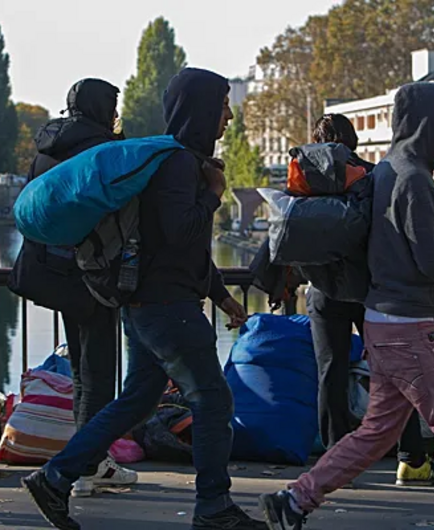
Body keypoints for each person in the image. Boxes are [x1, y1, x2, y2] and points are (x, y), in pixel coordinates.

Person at [23, 68, 264, 530]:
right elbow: (179, 236)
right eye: (223, 106)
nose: (229, 117)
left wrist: (222, 296)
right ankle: (213, 506)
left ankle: (55, 478)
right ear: (201, 110)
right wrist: (213, 197)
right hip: (167, 309)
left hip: (148, 306)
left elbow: (181, 249)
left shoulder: (175, 160)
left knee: (136, 401)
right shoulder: (178, 166)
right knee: (214, 402)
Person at [259, 84, 434, 530]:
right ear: (428, 125)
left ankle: (295, 500)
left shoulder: (387, 173)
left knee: (377, 432)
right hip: (410, 326)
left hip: (381, 322)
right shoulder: (414, 178)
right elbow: (431, 259)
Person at [308, 113, 433, 486]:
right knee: (394, 373)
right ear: (355, 140)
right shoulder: (374, 175)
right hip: (371, 289)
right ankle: (411, 456)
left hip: (324, 290)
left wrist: (273, 276)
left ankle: (335, 460)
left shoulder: (309, 177)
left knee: (330, 373)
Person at [27, 78, 137, 497]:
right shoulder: (98, 149)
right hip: (95, 272)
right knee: (99, 373)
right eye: (113, 108)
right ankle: (88, 466)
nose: (115, 116)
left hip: (56, 272)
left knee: (79, 369)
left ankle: (85, 459)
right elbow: (115, 202)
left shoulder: (46, 149)